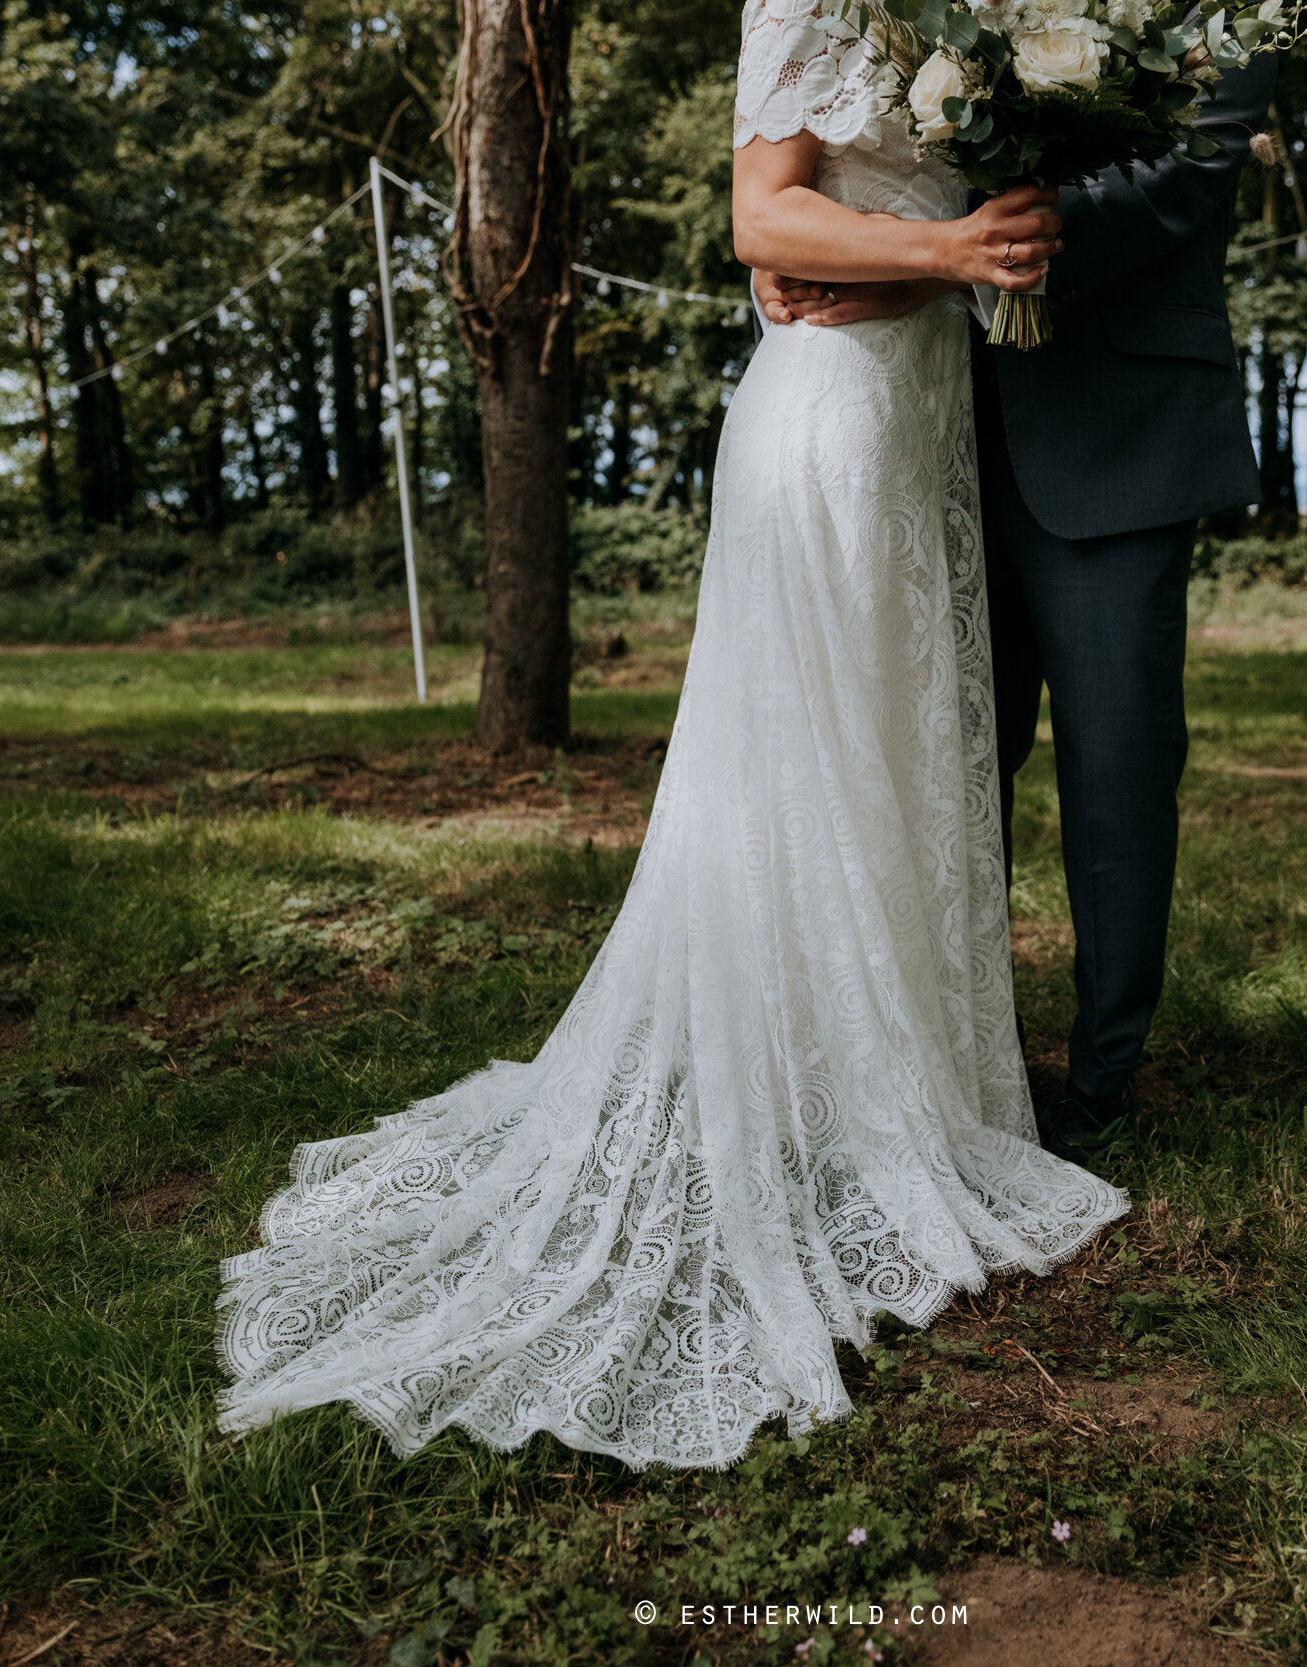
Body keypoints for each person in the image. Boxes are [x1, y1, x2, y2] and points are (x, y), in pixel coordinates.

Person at [216, 0, 1144, 1469]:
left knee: (896, 753)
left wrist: (962, 251)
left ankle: (896, 1082)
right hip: (828, 426)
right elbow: (760, 218)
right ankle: (813, 1092)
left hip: (922, 420)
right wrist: (953, 253)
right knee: (805, 769)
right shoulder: (807, 0)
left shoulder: (963, 18)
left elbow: (870, 215)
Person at [760, 40, 1276, 1165]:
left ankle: (1102, 1076)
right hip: (919, 421)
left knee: (1118, 760)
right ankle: (952, 1057)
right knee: (941, 763)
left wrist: (947, 262)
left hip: (1119, 417)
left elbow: (1183, 174)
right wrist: (847, 243)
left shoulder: (1211, 15)